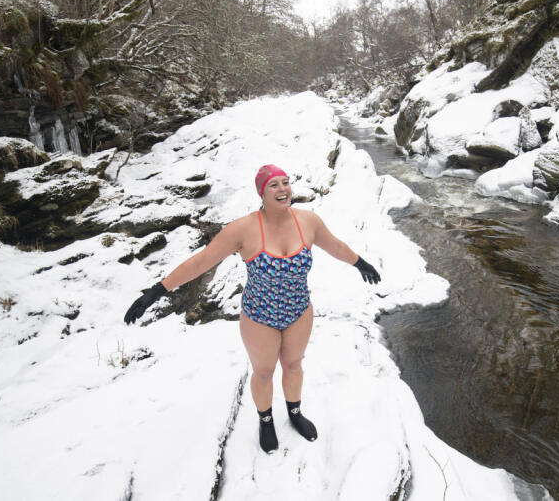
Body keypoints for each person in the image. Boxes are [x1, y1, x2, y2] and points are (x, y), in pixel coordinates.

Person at [123, 164, 381, 453]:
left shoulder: (308, 222)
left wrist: (360, 263)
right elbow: (201, 261)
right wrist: (157, 291)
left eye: (286, 182)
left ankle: (295, 414)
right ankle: (266, 420)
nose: (283, 189)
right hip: (259, 315)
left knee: (294, 365)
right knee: (264, 372)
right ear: (261, 192)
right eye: (274, 185)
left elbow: (333, 245)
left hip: (299, 309)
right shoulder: (243, 229)